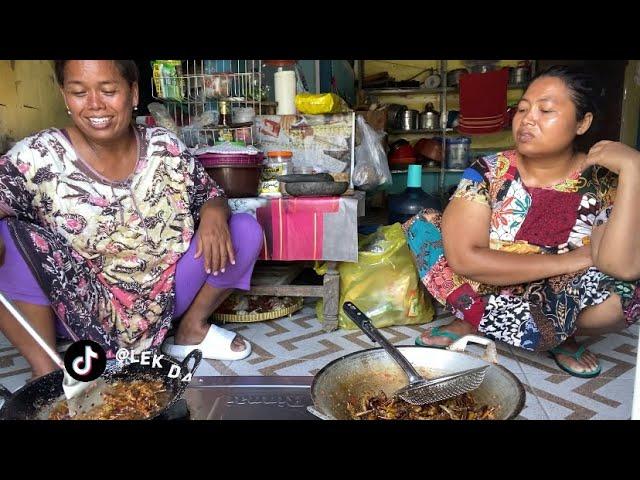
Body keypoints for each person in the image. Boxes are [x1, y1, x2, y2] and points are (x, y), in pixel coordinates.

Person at [0, 60, 263, 379]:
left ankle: (191, 330)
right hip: (76, 308)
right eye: (79, 92)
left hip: (163, 299)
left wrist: (212, 212)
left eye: (108, 90)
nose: (95, 104)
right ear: (64, 95)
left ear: (133, 92)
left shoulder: (164, 148)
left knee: (244, 229)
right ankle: (47, 373)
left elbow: (210, 193)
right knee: (8, 236)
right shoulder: (37, 155)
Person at [405, 65, 640, 378]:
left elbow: (622, 268)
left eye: (545, 110)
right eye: (523, 109)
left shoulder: (602, 180)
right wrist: (571, 260)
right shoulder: (488, 170)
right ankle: (487, 319)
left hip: (557, 294)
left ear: (582, 123)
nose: (527, 119)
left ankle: (540, 329)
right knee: (424, 231)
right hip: (486, 281)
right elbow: (463, 259)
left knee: (626, 295)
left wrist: (635, 169)